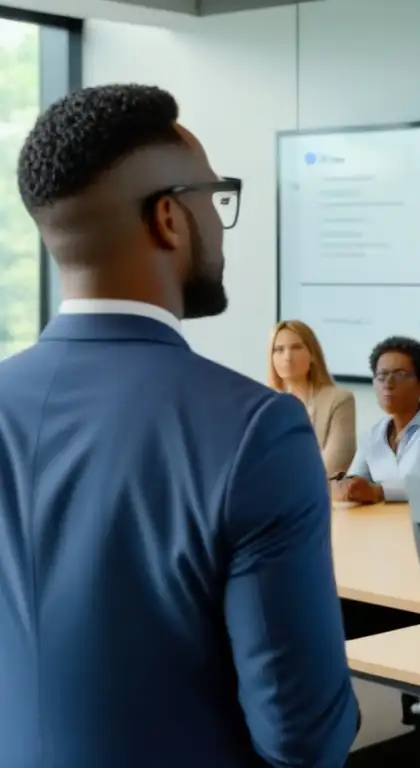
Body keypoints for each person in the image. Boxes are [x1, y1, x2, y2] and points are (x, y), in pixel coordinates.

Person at [0, 84, 358, 767]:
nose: (221, 227)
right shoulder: (258, 431)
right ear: (168, 217)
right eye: (215, 201)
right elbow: (303, 738)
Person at [336, 335, 420, 504]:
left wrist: (379, 491)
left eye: (400, 375)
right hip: (384, 523)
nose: (388, 383)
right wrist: (346, 487)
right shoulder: (372, 433)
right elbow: (355, 481)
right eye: (381, 375)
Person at [269, 319, 356, 479]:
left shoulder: (340, 400)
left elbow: (334, 468)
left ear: (313, 355)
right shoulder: (266, 405)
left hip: (318, 499)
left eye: (296, 347)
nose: (287, 357)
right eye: (279, 349)